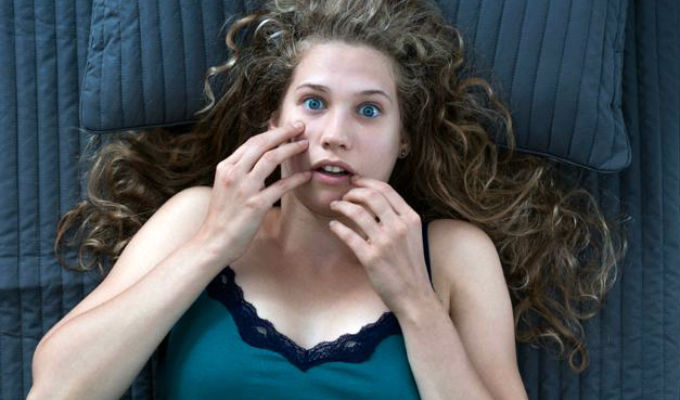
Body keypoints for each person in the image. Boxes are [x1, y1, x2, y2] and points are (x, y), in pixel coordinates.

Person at [29, 0, 628, 399]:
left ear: (403, 140)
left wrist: (415, 303)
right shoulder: (195, 218)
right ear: (274, 121)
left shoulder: (453, 254)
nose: (335, 134)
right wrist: (213, 246)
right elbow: (56, 389)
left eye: (369, 110)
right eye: (313, 103)